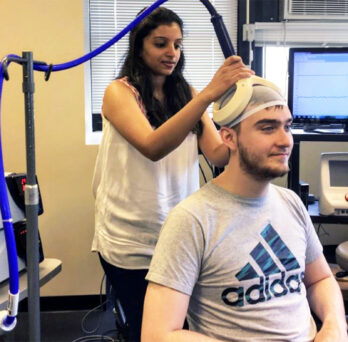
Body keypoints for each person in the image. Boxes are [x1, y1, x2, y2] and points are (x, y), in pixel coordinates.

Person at [91, 6, 254, 341]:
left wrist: (247, 122)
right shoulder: (119, 92)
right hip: (130, 240)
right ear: (139, 46)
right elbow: (153, 147)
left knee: (178, 329)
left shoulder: (186, 94)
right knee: (144, 330)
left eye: (177, 45)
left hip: (178, 235)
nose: (172, 53)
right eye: (161, 44)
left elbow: (218, 154)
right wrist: (209, 93)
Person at [142, 83, 348, 341]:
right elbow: (156, 334)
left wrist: (335, 325)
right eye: (268, 128)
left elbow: (320, 280)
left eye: (286, 126)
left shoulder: (292, 203)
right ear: (228, 137)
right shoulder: (192, 220)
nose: (285, 140)